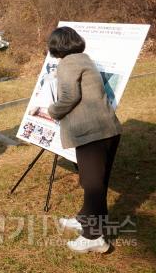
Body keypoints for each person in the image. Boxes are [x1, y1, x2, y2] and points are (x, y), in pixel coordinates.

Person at [46, 26, 122, 254]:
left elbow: (70, 96)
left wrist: (53, 110)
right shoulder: (84, 58)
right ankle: (85, 219)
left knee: (92, 185)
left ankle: (94, 237)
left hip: (92, 133)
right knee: (95, 183)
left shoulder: (68, 63)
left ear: (57, 45)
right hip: (106, 129)